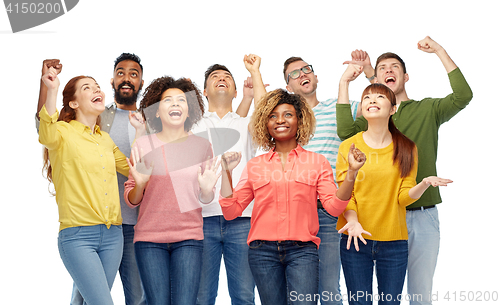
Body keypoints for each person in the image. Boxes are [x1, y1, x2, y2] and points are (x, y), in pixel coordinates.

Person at [213, 54, 365, 305]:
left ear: (299, 120)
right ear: (265, 123)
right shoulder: (256, 166)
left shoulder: (317, 162)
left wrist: (351, 173)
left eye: (287, 115)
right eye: (273, 116)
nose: (280, 120)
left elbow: (334, 207)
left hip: (303, 251)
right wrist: (227, 173)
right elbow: (231, 211)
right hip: (262, 253)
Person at [337, 36, 473, 305]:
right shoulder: (371, 117)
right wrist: (354, 79)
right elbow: (345, 132)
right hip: (376, 218)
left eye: (395, 67)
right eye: (382, 68)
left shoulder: (427, 110)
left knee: (419, 295)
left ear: (406, 76)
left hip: (421, 215)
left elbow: (463, 96)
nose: (389, 71)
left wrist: (440, 51)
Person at [36, 54, 147, 305]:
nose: (96, 89)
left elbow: (133, 170)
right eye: (87, 88)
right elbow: (45, 132)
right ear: (74, 104)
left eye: (97, 86)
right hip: (78, 236)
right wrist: (51, 89)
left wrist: (140, 131)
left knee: (86, 302)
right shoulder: (62, 133)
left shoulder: (105, 140)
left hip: (113, 236)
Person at [124, 76, 220, 305]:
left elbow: (205, 198)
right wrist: (140, 184)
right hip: (149, 240)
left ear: (189, 111)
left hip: (189, 238)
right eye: (168, 100)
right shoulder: (143, 145)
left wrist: (207, 191)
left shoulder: (202, 146)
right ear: (157, 111)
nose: (175, 104)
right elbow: (132, 200)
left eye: (182, 101)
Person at [282, 55, 360, 304]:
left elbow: (380, 103)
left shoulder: (339, 109)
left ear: (315, 77)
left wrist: (364, 72)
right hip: (293, 212)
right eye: (294, 73)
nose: (302, 74)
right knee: (297, 291)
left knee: (328, 287)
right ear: (288, 87)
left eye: (306, 69)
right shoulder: (285, 120)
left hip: (328, 210)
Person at [192, 64, 257, 305]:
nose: (221, 79)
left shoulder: (247, 124)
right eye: (215, 77)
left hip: (242, 219)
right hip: (201, 220)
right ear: (205, 92)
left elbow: (265, 110)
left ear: (235, 91)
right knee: (202, 297)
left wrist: (256, 76)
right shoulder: (193, 124)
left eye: (227, 77)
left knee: (243, 296)